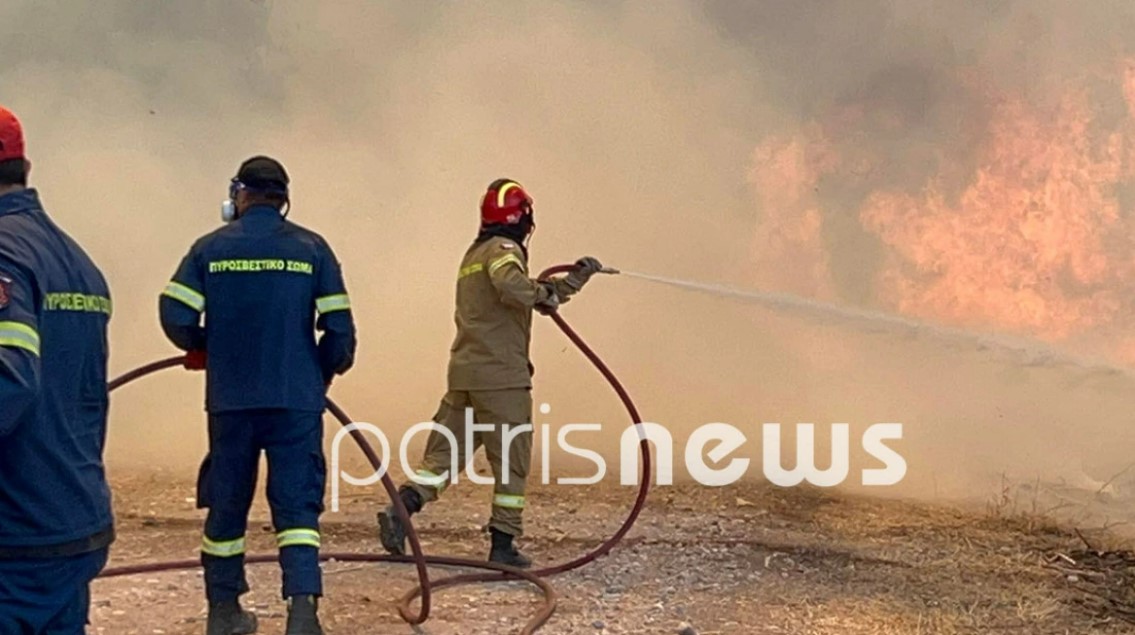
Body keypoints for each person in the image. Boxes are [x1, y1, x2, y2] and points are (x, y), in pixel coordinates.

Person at [159, 156, 357, 635]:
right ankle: (303, 613)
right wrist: (321, 372)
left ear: (241, 194)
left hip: (231, 400)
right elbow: (341, 335)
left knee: (227, 503)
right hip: (295, 400)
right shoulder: (313, 249)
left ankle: (223, 610)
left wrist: (207, 346)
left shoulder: (209, 248)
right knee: (296, 507)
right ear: (284, 199)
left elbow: (174, 314)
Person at [377, 178, 603, 568]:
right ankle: (503, 544)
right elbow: (515, 287)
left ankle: (402, 509)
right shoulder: (504, 250)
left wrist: (574, 281)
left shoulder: (473, 255)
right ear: (522, 219)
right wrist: (545, 294)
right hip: (502, 379)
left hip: (465, 375)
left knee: (444, 457)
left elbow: (530, 294)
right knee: (512, 461)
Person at [0, 105, 115, 633]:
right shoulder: (76, 260)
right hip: (72, 517)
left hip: (15, 533)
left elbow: (11, 380)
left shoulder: (4, 253)